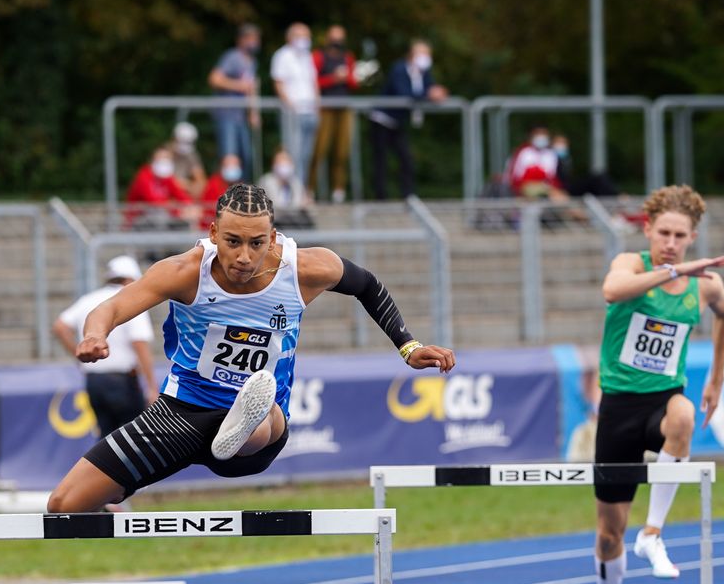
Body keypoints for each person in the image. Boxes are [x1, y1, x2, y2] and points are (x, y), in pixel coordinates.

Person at [46, 183, 456, 511]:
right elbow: (112, 306)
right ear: (212, 235)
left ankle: (246, 420)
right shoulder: (184, 272)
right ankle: (115, 498)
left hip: (259, 428)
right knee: (64, 505)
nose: (244, 257)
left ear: (273, 237)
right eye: (232, 242)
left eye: (257, 243)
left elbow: (367, 285)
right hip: (181, 413)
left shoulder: (306, 268)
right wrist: (95, 335)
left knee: (260, 411)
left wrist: (407, 345)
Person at [590, 185, 724, 584]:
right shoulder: (631, 264)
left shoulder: (706, 286)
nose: (671, 242)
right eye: (664, 234)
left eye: (681, 237)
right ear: (648, 230)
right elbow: (612, 292)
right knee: (609, 535)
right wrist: (673, 272)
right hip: (618, 410)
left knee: (685, 416)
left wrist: (716, 377)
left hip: (661, 403)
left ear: (693, 237)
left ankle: (654, 533)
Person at [53, 255, 158, 439]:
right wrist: (151, 386)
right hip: (122, 381)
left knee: (105, 439)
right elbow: (139, 343)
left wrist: (80, 354)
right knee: (134, 440)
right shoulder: (132, 299)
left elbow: (60, 326)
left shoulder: (88, 299)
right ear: (129, 279)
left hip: (94, 380)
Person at [369, 40, 447, 200]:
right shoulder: (399, 69)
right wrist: (428, 95)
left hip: (397, 122)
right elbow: (403, 93)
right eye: (423, 54)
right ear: (413, 54)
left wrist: (438, 92)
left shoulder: (423, 73)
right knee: (381, 160)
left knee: (406, 158)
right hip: (382, 120)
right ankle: (380, 197)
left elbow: (429, 88)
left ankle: (408, 195)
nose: (426, 58)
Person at [269, 23, 321, 202]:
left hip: (310, 112)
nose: (305, 40)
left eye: (307, 36)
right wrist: (292, 107)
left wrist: (317, 104)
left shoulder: (307, 56)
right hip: (293, 113)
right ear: (290, 37)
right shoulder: (282, 56)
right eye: (301, 36)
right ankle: (293, 195)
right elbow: (278, 83)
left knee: (306, 156)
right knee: (293, 154)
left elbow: (313, 82)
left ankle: (302, 191)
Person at [310, 25, 358, 204]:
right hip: (324, 109)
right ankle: (310, 189)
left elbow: (355, 82)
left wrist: (347, 78)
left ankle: (339, 191)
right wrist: (333, 79)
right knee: (319, 150)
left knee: (342, 151)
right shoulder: (318, 57)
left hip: (343, 109)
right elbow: (312, 82)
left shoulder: (348, 58)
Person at [207, 23, 261, 169]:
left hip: (241, 116)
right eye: (250, 38)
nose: (254, 42)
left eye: (256, 38)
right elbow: (214, 79)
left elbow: (250, 88)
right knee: (229, 158)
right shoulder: (232, 57)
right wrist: (238, 85)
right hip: (227, 114)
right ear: (241, 40)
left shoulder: (252, 62)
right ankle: (225, 191)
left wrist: (253, 112)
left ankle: (241, 191)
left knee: (245, 158)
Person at [124, 144, 195, 227]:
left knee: (185, 220)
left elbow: (181, 195)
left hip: (160, 219)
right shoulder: (143, 175)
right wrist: (176, 208)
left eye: (166, 158)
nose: (164, 161)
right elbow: (152, 201)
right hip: (140, 221)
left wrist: (190, 207)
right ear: (152, 160)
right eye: (160, 158)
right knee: (162, 218)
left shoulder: (167, 177)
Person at [509, 126, 567, 201]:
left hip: (546, 188)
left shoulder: (551, 154)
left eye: (543, 134)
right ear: (532, 137)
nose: (541, 137)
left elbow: (552, 178)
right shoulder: (524, 152)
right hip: (527, 187)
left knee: (561, 197)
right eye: (538, 134)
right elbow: (515, 177)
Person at [200, 154, 241, 231]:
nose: (232, 168)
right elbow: (208, 210)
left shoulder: (242, 186)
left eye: (235, 165)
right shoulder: (213, 184)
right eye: (228, 165)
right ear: (222, 167)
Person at [169, 120, 207, 200]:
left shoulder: (191, 154)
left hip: (182, 195)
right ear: (174, 138)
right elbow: (164, 182)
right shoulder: (165, 153)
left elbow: (201, 181)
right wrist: (186, 185)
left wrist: (187, 186)